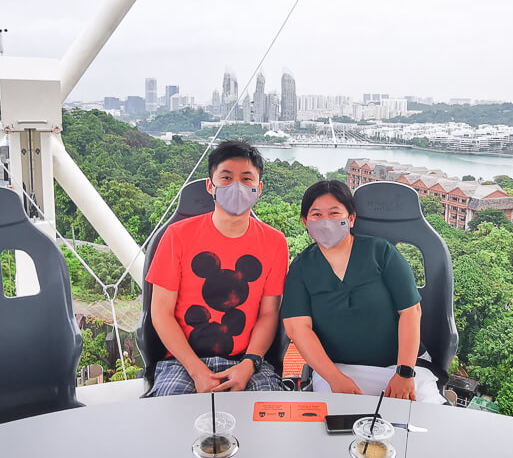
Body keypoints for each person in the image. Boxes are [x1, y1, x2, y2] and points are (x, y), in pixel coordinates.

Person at [281, 180, 444, 403]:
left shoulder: (381, 253)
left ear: (351, 218)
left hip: (402, 366)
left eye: (334, 213)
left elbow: (411, 312)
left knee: (423, 423)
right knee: (335, 426)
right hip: (338, 370)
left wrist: (404, 373)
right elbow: (297, 329)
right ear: (305, 222)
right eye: (316, 215)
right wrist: (334, 378)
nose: (326, 221)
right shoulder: (301, 268)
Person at [146, 139, 288, 395]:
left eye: (246, 179)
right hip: (182, 361)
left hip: (247, 361)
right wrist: (197, 370)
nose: (236, 186)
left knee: (266, 417)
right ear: (211, 186)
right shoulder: (177, 236)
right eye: (226, 177)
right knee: (174, 419)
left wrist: (249, 363)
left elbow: (269, 314)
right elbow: (161, 312)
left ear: (259, 188)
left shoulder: (275, 243)